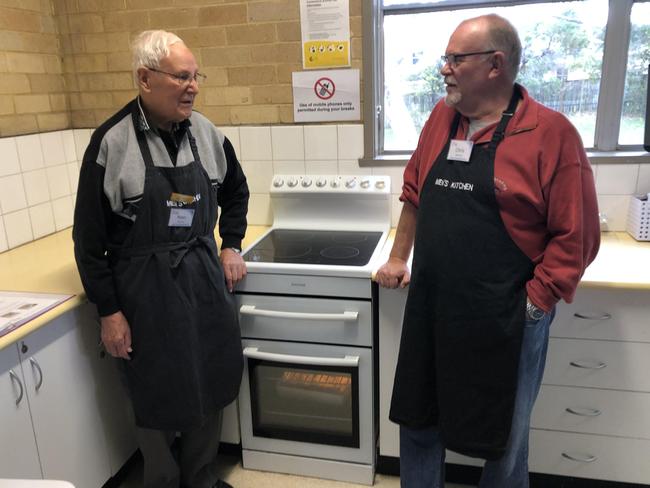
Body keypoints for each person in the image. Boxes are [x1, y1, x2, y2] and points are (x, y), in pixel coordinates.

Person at [375, 14, 600, 488]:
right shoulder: (442, 117)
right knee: (419, 422)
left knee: (504, 438)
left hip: (506, 317)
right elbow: (415, 192)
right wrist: (398, 257)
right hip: (434, 305)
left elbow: (576, 239)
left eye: (456, 59)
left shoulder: (551, 134)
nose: (444, 69)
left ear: (495, 65)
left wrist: (534, 304)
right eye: (445, 59)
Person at [73, 30, 249, 488]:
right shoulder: (110, 143)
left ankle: (201, 476)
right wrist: (109, 312)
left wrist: (230, 242)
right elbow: (88, 239)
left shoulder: (207, 133)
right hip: (143, 289)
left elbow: (237, 191)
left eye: (196, 77)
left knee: (211, 376)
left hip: (202, 276)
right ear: (145, 79)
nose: (193, 86)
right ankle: (163, 480)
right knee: (153, 386)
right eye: (181, 77)